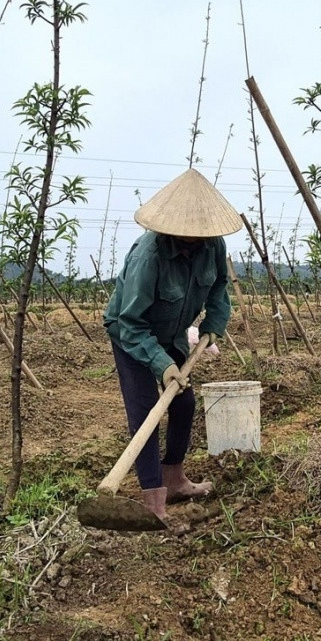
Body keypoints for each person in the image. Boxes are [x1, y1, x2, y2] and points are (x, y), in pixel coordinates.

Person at [102, 168, 243, 523]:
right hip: (132, 336)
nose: (194, 239)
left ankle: (174, 478)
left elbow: (219, 290)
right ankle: (153, 499)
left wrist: (213, 324)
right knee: (146, 412)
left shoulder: (214, 246)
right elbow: (130, 321)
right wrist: (162, 366)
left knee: (184, 404)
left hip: (174, 334)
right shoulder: (148, 257)